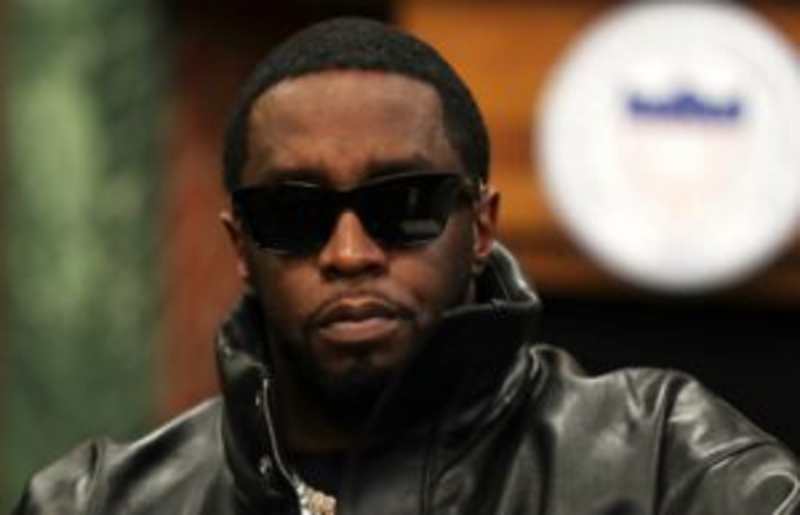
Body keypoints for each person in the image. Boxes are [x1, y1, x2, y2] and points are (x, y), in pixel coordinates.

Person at [12, 16, 800, 515]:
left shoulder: (671, 463)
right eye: (293, 214)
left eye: (405, 204)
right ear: (241, 246)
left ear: (481, 227)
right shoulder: (93, 500)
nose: (349, 253)